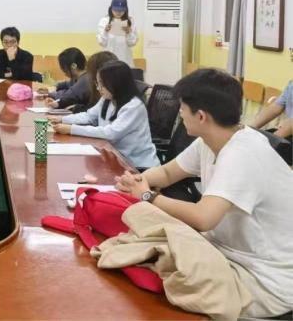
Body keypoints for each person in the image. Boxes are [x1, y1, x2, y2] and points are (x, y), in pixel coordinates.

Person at [114, 69, 293, 318]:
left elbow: (203, 218)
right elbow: (166, 173)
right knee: (144, 251)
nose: (180, 113)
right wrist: (139, 180)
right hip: (224, 252)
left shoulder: (243, 153)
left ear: (200, 116)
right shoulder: (211, 140)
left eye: (182, 108)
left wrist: (148, 196)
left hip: (264, 280)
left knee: (156, 275)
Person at [51, 60, 159, 169]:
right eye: (98, 83)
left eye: (103, 84)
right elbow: (89, 116)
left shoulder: (134, 106)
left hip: (137, 166)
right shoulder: (107, 98)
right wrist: (62, 119)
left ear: (117, 84)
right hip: (115, 158)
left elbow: (110, 133)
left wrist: (71, 129)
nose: (99, 88)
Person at [96, 0, 138, 66]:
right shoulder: (104, 21)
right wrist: (105, 32)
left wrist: (129, 33)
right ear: (111, 9)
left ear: (126, 10)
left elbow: (132, 43)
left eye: (121, 10)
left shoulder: (130, 21)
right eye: (116, 10)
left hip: (125, 59)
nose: (118, 12)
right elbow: (102, 43)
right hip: (109, 60)